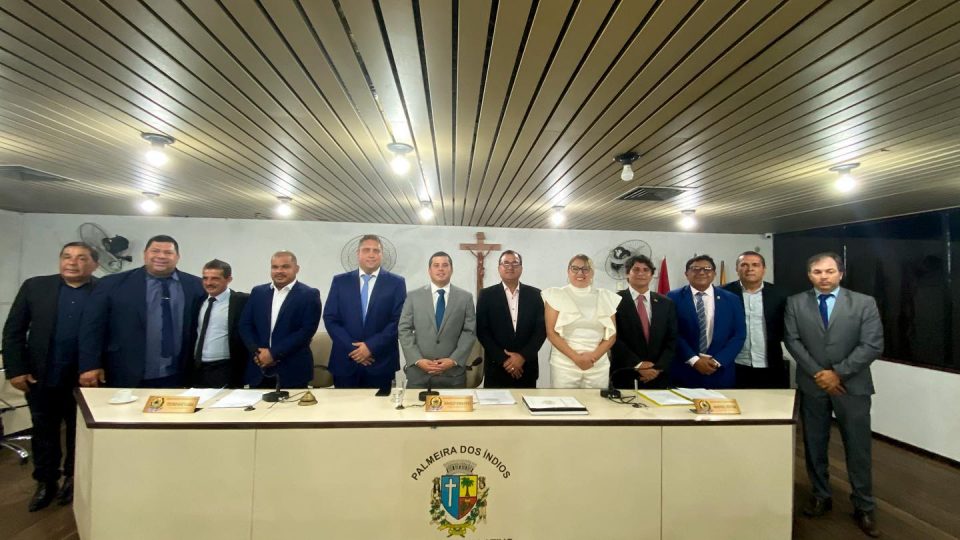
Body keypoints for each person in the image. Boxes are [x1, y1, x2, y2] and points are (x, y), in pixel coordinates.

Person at [785, 252, 883, 538]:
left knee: (858, 447)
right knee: (814, 444)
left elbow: (872, 344)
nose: (824, 277)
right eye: (817, 272)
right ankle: (820, 495)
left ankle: (864, 505)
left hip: (852, 386)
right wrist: (820, 374)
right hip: (812, 384)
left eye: (829, 271)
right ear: (809, 275)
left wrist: (837, 373)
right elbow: (793, 340)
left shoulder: (864, 303)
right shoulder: (795, 303)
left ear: (841, 273)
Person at [2, 242, 98, 511]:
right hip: (41, 376)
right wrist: (16, 370)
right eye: (67, 257)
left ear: (94, 264)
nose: (72, 262)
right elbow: (13, 331)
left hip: (86, 379)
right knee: (44, 432)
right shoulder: (35, 287)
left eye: (81, 258)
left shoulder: (105, 291)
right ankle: (45, 481)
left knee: (80, 433)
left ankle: (73, 479)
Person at [78, 235, 204, 388]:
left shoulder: (196, 286)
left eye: (168, 252)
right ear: (145, 254)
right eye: (155, 251)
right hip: (124, 372)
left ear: (177, 257)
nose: (161, 256)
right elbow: (92, 326)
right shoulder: (112, 284)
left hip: (178, 374)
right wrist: (89, 365)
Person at [324, 235, 406, 391]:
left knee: (379, 407)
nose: (371, 254)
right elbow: (330, 318)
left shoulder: (396, 283)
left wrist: (370, 347)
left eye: (376, 251)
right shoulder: (340, 281)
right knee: (343, 406)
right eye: (366, 250)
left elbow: (398, 320)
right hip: (346, 361)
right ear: (358, 253)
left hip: (380, 362)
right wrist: (354, 349)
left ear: (382, 255)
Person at [238, 251, 322, 389]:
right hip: (259, 368)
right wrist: (258, 353)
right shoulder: (258, 292)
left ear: (296, 269)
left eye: (285, 267)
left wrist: (273, 354)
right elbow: (245, 325)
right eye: (275, 267)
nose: (279, 271)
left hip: (292, 370)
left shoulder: (309, 295)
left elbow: (306, 331)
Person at [398, 252, 476, 388]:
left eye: (445, 265)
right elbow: (404, 329)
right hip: (419, 373)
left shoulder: (465, 298)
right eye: (436, 265)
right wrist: (417, 360)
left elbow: (469, 332)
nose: (441, 269)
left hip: (453, 374)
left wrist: (453, 360)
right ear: (429, 270)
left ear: (451, 269)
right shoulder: (413, 296)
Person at [667, 255, 745, 389]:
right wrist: (694, 360)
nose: (702, 272)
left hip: (720, 372)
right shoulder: (672, 297)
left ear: (714, 273)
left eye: (707, 269)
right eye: (695, 269)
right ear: (686, 274)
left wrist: (717, 361)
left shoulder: (732, 299)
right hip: (685, 370)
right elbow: (672, 332)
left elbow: (739, 335)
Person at [541, 254, 619, 388]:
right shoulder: (555, 295)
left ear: (592, 272)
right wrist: (576, 358)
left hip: (597, 364)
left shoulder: (606, 297)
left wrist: (593, 357)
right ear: (568, 271)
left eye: (585, 269)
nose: (580, 273)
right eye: (575, 268)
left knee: (597, 401)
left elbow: (612, 335)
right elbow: (551, 333)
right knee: (564, 400)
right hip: (564, 364)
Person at [476, 250, 546, 388]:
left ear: (521, 268)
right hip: (496, 367)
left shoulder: (536, 295)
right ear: (499, 268)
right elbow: (482, 331)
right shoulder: (486, 295)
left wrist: (522, 357)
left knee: (525, 402)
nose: (510, 267)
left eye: (515, 263)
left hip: (526, 367)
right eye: (506, 263)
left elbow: (541, 331)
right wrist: (504, 359)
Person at [609, 255, 677, 389]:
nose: (641, 273)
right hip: (625, 373)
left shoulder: (666, 303)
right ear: (627, 273)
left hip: (658, 374)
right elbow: (613, 338)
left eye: (646, 270)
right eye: (636, 269)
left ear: (652, 275)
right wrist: (639, 365)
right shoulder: (613, 300)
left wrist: (657, 368)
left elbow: (672, 339)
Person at [723, 251, 789, 388]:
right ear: (737, 269)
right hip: (734, 365)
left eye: (755, 265)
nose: (750, 269)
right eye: (744, 265)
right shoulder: (723, 294)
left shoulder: (780, 294)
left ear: (764, 269)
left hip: (770, 365)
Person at [192, 259, 249, 388]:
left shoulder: (242, 301)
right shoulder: (198, 301)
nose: (208, 283)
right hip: (197, 368)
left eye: (215, 278)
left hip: (225, 368)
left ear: (229, 279)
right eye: (205, 278)